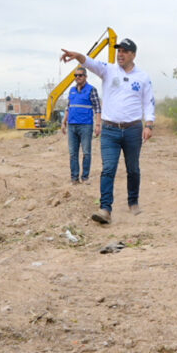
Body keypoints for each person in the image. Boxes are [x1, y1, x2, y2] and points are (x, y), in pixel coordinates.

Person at [60, 37, 155, 225]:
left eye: (125, 51)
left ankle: (133, 202)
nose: (120, 54)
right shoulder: (108, 70)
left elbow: (148, 102)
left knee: (133, 168)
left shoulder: (143, 77)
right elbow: (91, 62)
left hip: (133, 130)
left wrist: (149, 124)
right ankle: (105, 209)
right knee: (108, 169)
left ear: (133, 55)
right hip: (110, 130)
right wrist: (77, 55)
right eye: (119, 51)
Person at [60, 66, 101, 184]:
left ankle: (85, 177)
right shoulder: (72, 90)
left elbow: (98, 108)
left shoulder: (91, 90)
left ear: (85, 77)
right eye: (76, 75)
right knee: (73, 153)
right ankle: (74, 178)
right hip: (72, 126)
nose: (78, 77)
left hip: (85, 126)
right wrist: (64, 122)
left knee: (86, 152)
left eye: (80, 75)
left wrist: (98, 125)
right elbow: (68, 107)